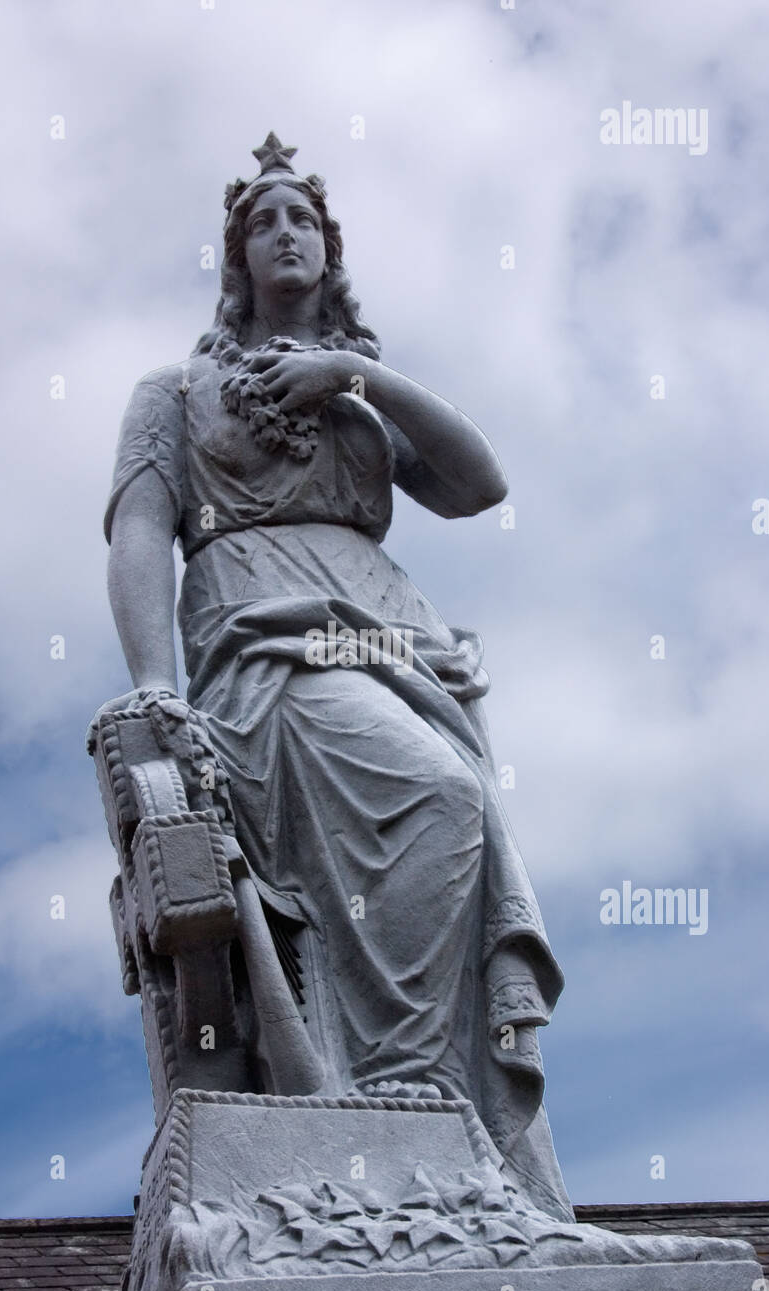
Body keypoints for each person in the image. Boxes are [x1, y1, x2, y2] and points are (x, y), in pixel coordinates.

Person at [102, 134, 572, 1221]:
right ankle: (402, 1098)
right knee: (437, 801)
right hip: (265, 642)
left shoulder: (356, 401)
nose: (284, 234)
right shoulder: (173, 391)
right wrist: (155, 686)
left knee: (452, 820)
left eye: (302, 219)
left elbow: (480, 485)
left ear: (329, 248)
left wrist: (354, 376)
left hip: (399, 646)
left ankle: (448, 1128)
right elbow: (138, 533)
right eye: (262, 222)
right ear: (236, 259)